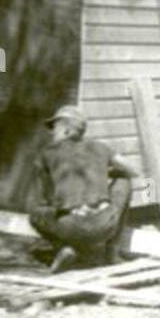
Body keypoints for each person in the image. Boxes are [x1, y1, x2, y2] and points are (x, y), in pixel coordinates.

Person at [28, 105, 140, 273]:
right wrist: (104, 172)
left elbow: (42, 198)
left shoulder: (46, 154)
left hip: (69, 226)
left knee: (35, 213)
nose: (52, 133)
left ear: (65, 130)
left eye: (54, 128)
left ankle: (63, 249)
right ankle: (112, 253)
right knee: (124, 181)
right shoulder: (101, 147)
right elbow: (135, 171)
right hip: (103, 225)